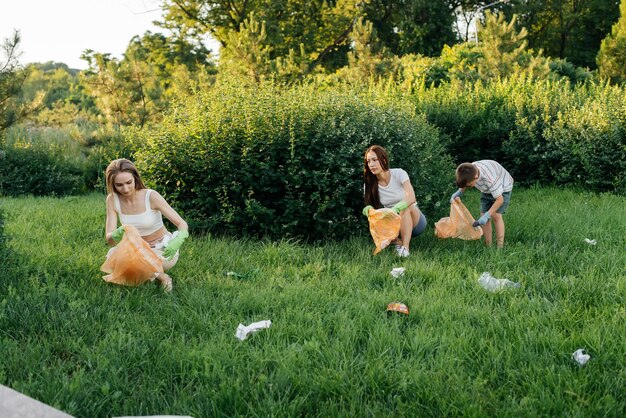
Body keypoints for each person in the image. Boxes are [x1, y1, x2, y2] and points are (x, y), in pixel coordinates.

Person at [104, 158, 189, 292]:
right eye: (119, 185)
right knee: (111, 257)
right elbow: (110, 241)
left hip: (161, 249)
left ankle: (148, 272)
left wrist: (179, 239)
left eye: (129, 182)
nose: (125, 189)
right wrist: (117, 233)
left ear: (135, 178)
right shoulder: (112, 200)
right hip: (135, 250)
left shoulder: (150, 196)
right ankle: (162, 277)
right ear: (112, 184)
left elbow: (181, 223)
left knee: (132, 265)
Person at [362, 145, 427, 258]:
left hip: (415, 221)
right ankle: (398, 242)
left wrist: (395, 209)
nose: (371, 164)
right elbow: (374, 209)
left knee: (405, 206)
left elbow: (411, 197)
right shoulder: (369, 185)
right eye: (368, 161)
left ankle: (405, 248)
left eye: (374, 160)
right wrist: (369, 209)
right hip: (394, 222)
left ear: (383, 160)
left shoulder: (399, 173)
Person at [450, 160, 513, 248]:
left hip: (503, 187)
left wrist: (488, 215)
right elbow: (465, 182)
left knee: (496, 216)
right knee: (483, 215)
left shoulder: (489, 179)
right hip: (486, 189)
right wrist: (459, 192)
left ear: (476, 178)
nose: (468, 187)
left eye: (469, 185)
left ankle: (500, 246)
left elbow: (499, 200)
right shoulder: (469, 170)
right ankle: (488, 245)